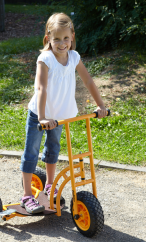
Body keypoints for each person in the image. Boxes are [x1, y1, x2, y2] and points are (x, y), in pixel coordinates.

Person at [20, 12, 107, 214]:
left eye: (66, 38)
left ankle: (50, 185)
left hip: (59, 117)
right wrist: (42, 117)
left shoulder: (74, 57)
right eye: (56, 39)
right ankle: (26, 195)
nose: (62, 43)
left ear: (72, 37)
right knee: (31, 152)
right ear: (48, 38)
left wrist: (101, 106)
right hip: (39, 116)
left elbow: (88, 81)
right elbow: (41, 89)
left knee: (53, 149)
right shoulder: (45, 59)